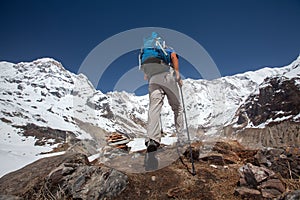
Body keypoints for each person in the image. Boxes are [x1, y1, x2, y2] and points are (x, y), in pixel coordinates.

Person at [140, 32, 184, 152]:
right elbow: (174, 57)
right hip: (166, 75)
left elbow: (145, 75)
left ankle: (152, 139)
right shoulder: (166, 48)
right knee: (177, 107)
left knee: (154, 108)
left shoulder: (146, 52)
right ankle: (181, 137)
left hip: (153, 78)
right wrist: (178, 74)